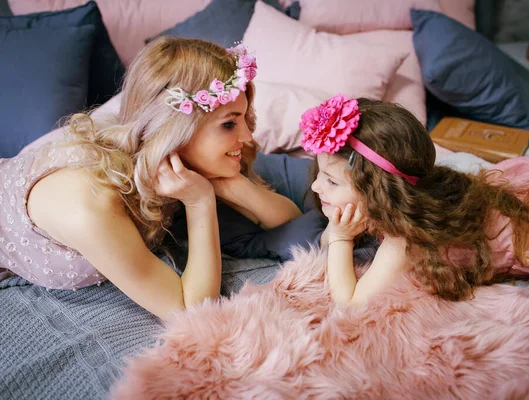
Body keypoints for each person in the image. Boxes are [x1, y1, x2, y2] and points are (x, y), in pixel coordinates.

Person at [0, 37, 302, 320]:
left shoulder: (178, 162)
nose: (247, 136)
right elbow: (192, 310)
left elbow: (290, 219)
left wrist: (231, 184)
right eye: (228, 124)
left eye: (243, 118)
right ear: (176, 130)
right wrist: (200, 201)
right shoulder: (92, 205)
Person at [301, 94, 529, 304]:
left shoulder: (403, 243)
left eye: (331, 180)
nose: (315, 186)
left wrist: (341, 238)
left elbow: (350, 303)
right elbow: (325, 242)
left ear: (379, 191)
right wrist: (337, 232)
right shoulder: (392, 206)